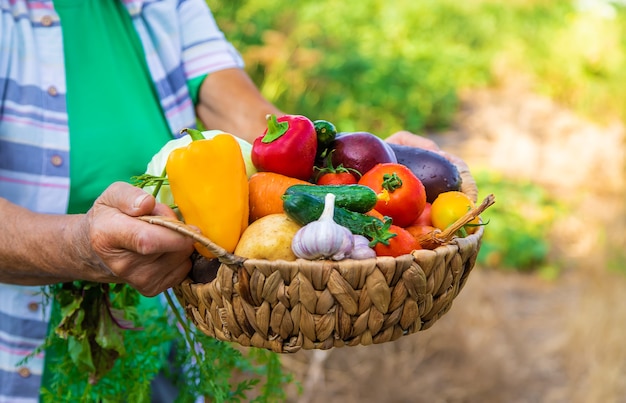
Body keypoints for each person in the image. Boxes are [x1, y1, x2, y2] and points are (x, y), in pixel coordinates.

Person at [0, 0, 437, 401]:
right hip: (24, 344)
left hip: (174, 304)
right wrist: (78, 246)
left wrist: (357, 155)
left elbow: (244, 114)